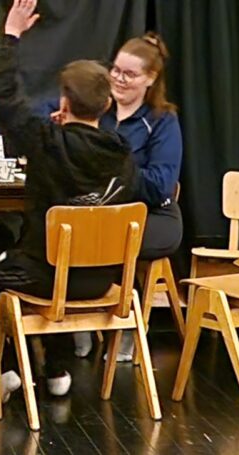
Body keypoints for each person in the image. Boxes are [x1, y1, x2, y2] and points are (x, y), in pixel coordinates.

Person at [0, 0, 138, 397]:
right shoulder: (123, 154)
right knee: (54, 266)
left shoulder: (45, 141)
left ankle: (11, 367)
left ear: (63, 103)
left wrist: (11, 36)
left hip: (43, 275)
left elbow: (2, 94)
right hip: (100, 280)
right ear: (107, 105)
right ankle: (57, 369)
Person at [73, 31, 184, 361]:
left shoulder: (162, 121)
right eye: (116, 70)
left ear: (150, 78)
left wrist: (112, 164)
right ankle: (79, 318)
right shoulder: (98, 112)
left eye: (129, 74)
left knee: (107, 236)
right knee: (69, 232)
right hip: (101, 213)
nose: (119, 79)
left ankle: (125, 326)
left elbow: (160, 185)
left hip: (154, 216)